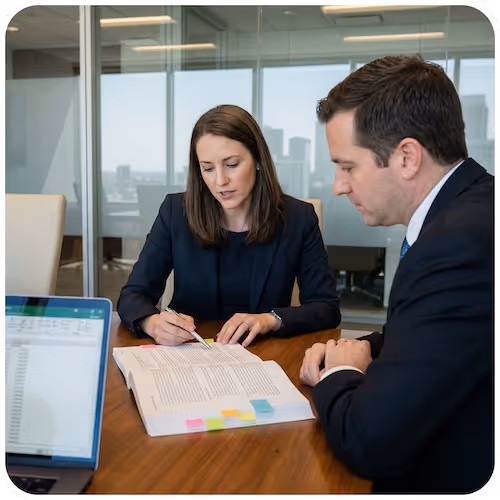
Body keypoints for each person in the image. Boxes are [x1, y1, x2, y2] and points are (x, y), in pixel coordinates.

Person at [299, 55, 493, 494]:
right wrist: (358, 349)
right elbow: (434, 329)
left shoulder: (454, 247)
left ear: (406, 157)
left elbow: (371, 442)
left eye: (348, 166)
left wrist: (338, 376)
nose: (338, 186)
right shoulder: (473, 211)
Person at [117, 104, 340, 347]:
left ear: (257, 160)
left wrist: (270, 320)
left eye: (232, 164)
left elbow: (326, 308)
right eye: (208, 168)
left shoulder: (298, 218)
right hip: (189, 355)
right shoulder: (175, 212)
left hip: (263, 356)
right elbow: (133, 295)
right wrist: (152, 322)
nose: (220, 181)